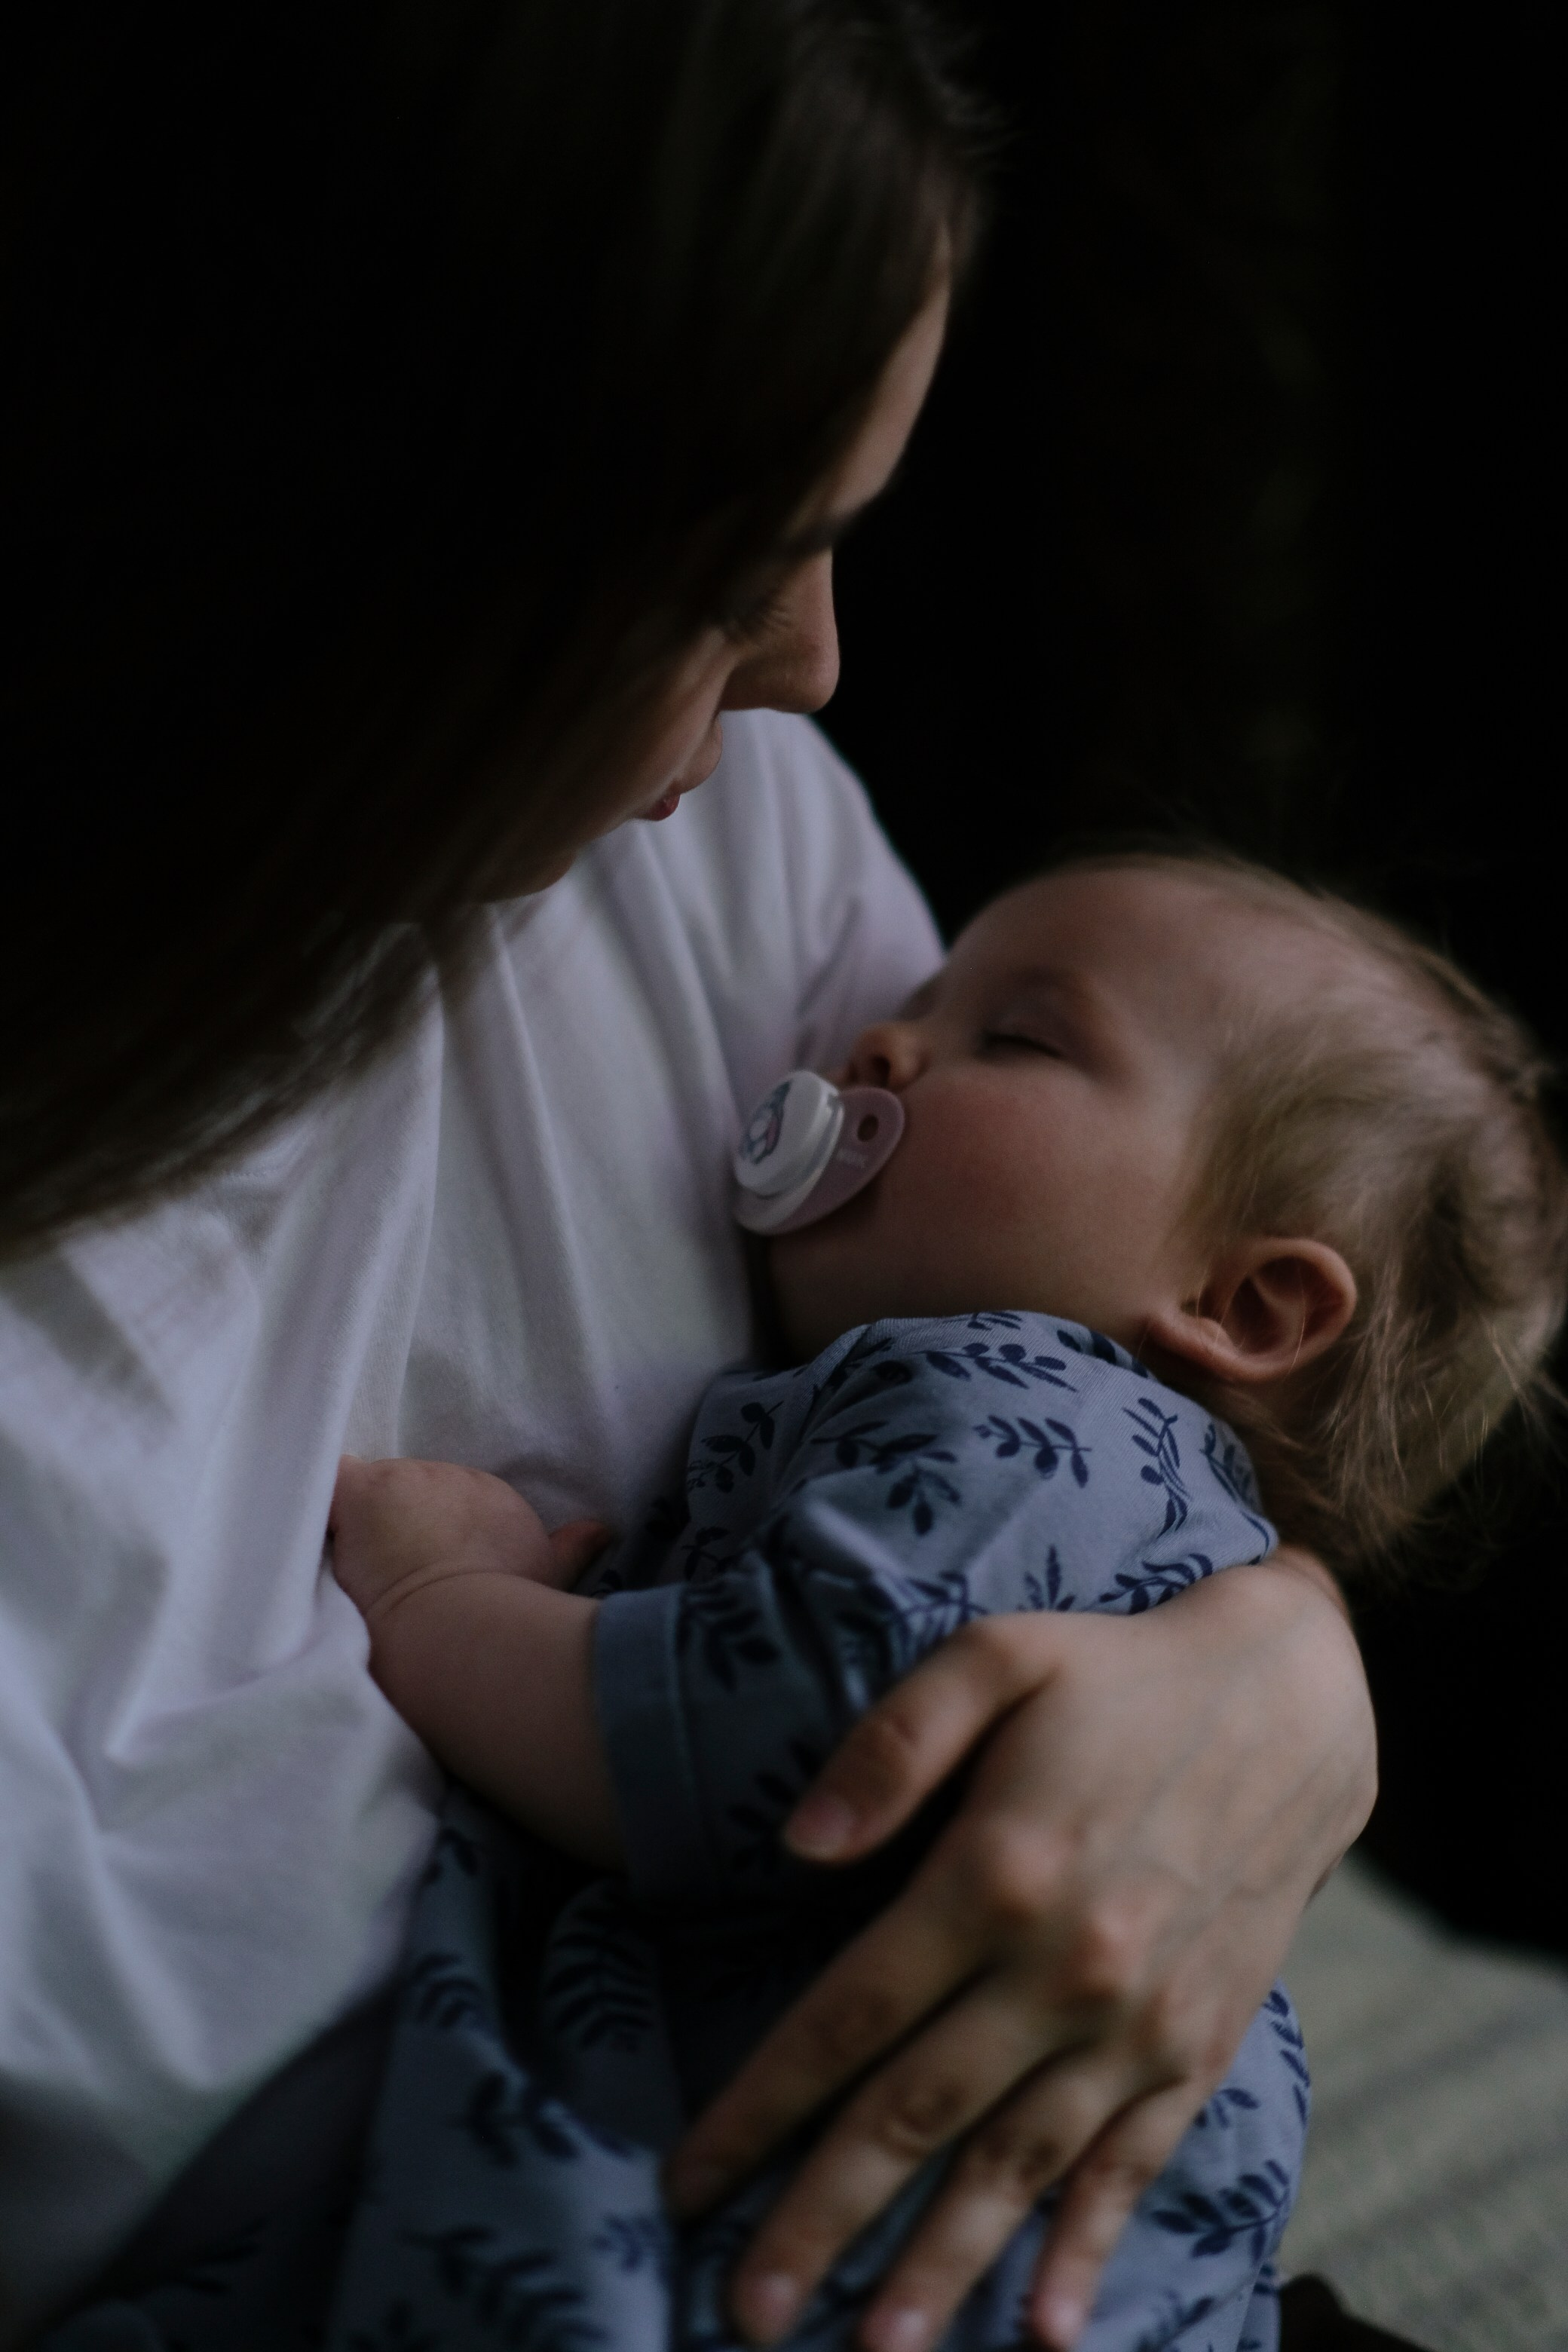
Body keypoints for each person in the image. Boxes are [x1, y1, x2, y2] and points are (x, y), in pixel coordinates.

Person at [2, 11, 1377, 2350]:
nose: (820, 671)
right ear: (332, 532)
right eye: (741, 564)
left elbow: (1097, 1354)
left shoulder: (704, 851)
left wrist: (1283, 1674)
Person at [327, 853, 1567, 2349]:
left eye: (1015, 1039)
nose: (878, 1047)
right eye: (923, 1003)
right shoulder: (1126, 1517)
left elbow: (758, 1734)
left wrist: (437, 1591)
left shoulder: (1019, 1406)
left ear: (1241, 1305)